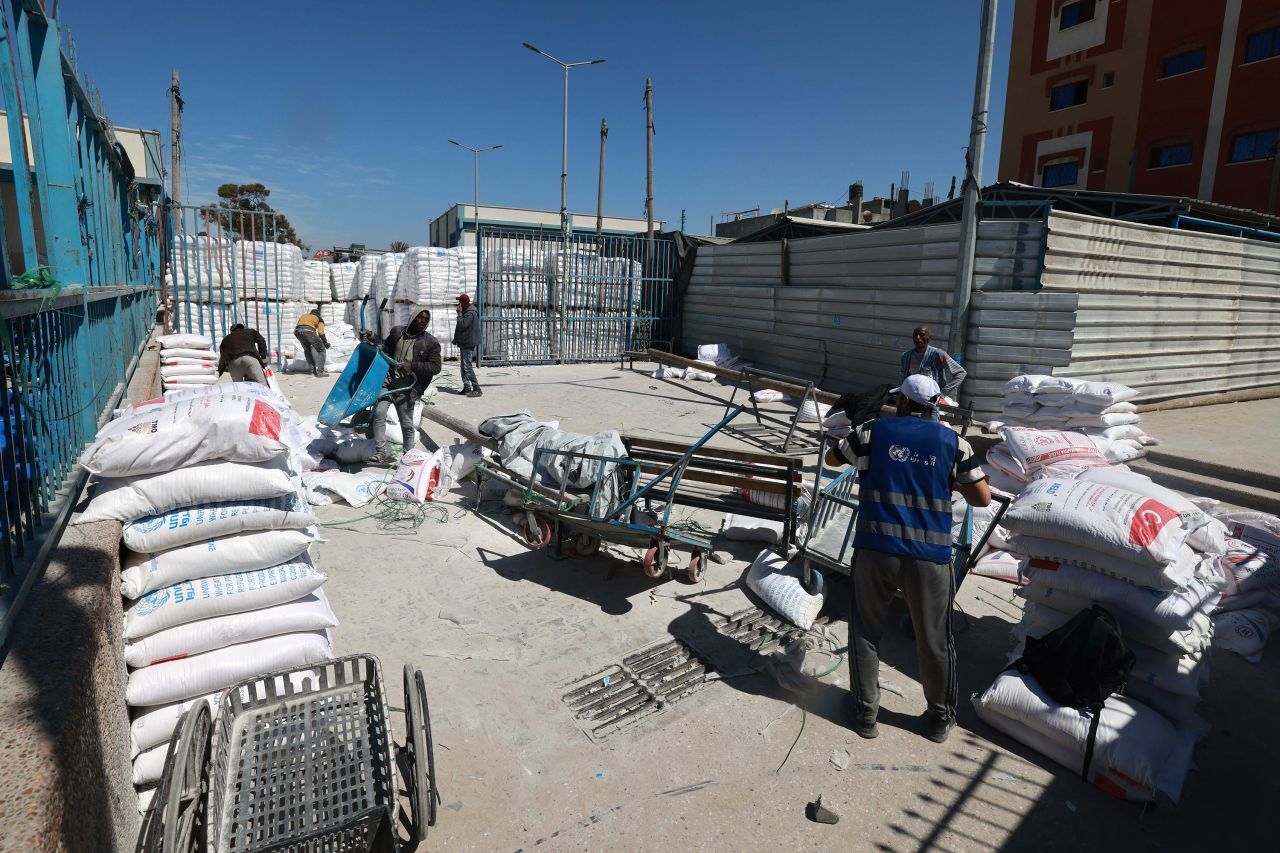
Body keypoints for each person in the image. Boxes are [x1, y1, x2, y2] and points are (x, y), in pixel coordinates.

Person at [825, 374, 990, 744]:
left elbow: (831, 459)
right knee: (934, 639)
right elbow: (983, 499)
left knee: (865, 632)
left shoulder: (871, 432)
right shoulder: (954, 443)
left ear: (902, 403)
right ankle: (938, 719)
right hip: (928, 558)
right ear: (934, 407)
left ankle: (866, 713)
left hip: (875, 550)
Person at [368, 309, 442, 465]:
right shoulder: (397, 333)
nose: (422, 321)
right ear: (413, 317)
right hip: (388, 383)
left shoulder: (430, 342)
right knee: (379, 413)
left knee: (407, 424)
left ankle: (408, 458)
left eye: (426, 319)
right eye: (420, 317)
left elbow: (436, 367)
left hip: (408, 388)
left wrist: (413, 366)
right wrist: (373, 339)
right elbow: (385, 349)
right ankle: (382, 452)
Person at [900, 326, 966, 402]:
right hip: (911, 399)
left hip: (932, 401)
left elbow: (961, 373)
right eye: (915, 335)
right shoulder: (906, 356)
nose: (917, 338)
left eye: (921, 335)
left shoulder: (938, 354)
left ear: (929, 338)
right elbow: (902, 379)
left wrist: (943, 393)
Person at [453, 293, 481, 397]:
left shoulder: (470, 313)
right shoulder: (467, 311)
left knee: (467, 366)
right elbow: (459, 328)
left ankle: (477, 388)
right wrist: (456, 339)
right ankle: (467, 387)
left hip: (468, 343)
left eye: (460, 302)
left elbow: (463, 325)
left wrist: (459, 314)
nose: (458, 304)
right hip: (464, 341)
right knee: (463, 366)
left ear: (464, 303)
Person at [294, 307, 330, 377]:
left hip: (297, 332)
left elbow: (299, 326)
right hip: (308, 332)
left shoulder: (304, 316)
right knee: (321, 350)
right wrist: (325, 343)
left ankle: (312, 370)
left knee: (307, 350)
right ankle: (320, 372)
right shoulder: (319, 319)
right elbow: (321, 332)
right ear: (318, 315)